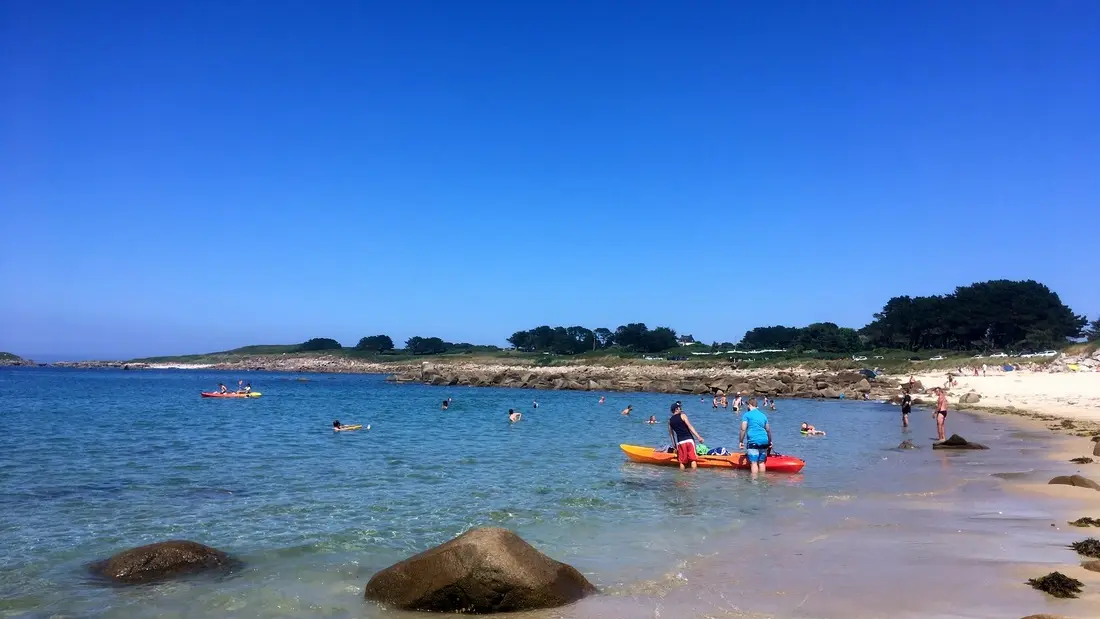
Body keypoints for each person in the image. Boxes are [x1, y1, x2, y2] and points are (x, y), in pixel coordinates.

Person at [739, 398, 773, 476]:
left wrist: (741, 441)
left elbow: (743, 429)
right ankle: (762, 480)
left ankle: (754, 483)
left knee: (753, 463)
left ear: (749, 405)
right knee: (761, 462)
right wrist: (770, 441)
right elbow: (768, 430)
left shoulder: (747, 415)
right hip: (764, 441)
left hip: (753, 441)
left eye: (747, 405)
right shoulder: (763, 415)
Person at [668, 402, 705, 470]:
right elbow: (690, 426)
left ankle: (682, 478)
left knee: (682, 462)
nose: (681, 409)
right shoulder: (683, 415)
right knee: (693, 459)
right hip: (689, 440)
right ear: (676, 409)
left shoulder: (670, 421)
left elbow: (671, 434)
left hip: (680, 442)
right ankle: (693, 477)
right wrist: (698, 437)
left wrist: (674, 445)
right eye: (680, 408)